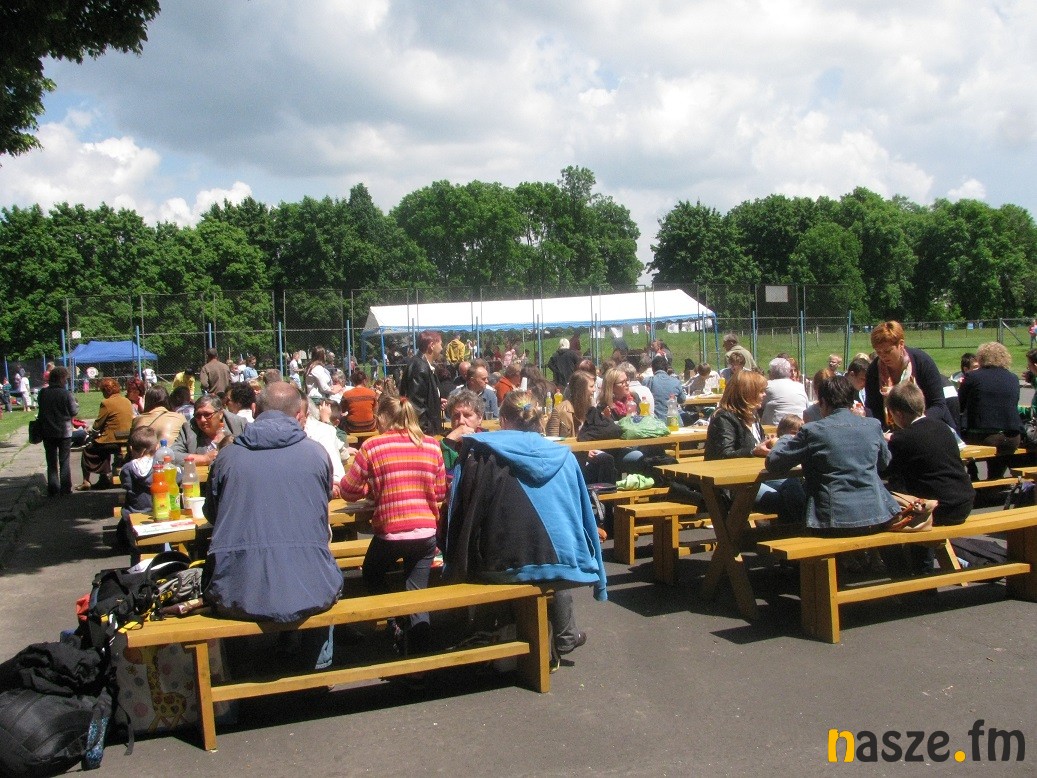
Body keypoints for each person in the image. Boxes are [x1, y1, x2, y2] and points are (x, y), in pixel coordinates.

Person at [442, 390, 605, 672]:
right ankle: (555, 638)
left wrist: (453, 566)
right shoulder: (565, 456)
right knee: (546, 560)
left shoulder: (480, 453)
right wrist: (599, 579)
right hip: (565, 562)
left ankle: (493, 638)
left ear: (502, 420)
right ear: (537, 419)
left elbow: (459, 511)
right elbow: (584, 514)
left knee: (506, 556)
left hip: (498, 564)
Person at [204, 381, 342, 670]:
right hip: (312, 587)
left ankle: (237, 672)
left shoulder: (227, 457)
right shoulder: (316, 454)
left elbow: (213, 514)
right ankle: (317, 668)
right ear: (299, 414)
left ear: (254, 410)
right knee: (320, 574)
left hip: (236, 589)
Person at [339, 394, 446, 655]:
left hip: (390, 531)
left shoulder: (373, 446)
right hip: (425, 532)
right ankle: (420, 655)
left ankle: (393, 621)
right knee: (416, 593)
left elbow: (347, 490)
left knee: (372, 573)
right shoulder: (432, 446)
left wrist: (373, 488)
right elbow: (440, 492)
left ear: (383, 418)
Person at [764, 375, 900, 534]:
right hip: (876, 515)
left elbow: (774, 463)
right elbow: (884, 462)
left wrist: (784, 438)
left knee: (790, 486)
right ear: (851, 400)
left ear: (822, 402)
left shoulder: (813, 431)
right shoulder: (873, 425)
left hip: (831, 520)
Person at [885, 382, 975, 526]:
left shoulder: (903, 438)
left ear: (898, 414)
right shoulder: (943, 427)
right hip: (964, 502)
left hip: (937, 508)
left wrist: (885, 442)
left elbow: (885, 471)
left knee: (885, 496)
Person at [864, 320, 955, 430]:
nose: (883, 356)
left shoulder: (922, 362)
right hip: (891, 432)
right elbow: (872, 409)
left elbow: (938, 405)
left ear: (901, 344)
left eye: (888, 351)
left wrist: (914, 427)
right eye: (878, 352)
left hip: (930, 426)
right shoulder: (874, 370)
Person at [958, 341, 1022, 479]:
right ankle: (993, 483)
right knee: (998, 462)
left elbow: (960, 405)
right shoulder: (1013, 378)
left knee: (957, 439)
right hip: (1012, 437)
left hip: (984, 436)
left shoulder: (973, 377)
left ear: (981, 357)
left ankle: (973, 475)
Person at [78, 377, 134, 491]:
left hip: (112, 440)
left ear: (106, 391)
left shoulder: (106, 403)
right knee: (102, 448)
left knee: (88, 450)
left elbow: (98, 425)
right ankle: (103, 479)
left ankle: (86, 481)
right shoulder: (126, 401)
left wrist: (91, 431)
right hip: (126, 439)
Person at [705, 371, 770, 460]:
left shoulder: (752, 415)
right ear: (746, 393)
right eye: (761, 391)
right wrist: (753, 452)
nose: (764, 394)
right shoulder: (723, 418)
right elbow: (723, 454)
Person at [171, 394, 248, 466]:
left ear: (220, 414)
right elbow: (171, 455)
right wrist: (204, 459)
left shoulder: (238, 424)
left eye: (207, 414)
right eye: (198, 415)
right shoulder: (189, 429)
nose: (202, 419)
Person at [36, 366, 79, 496]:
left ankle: (53, 488)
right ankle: (66, 488)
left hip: (48, 431)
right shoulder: (66, 394)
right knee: (64, 461)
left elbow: (41, 409)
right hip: (64, 432)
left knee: (51, 461)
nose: (66, 381)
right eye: (65, 379)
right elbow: (74, 411)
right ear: (61, 379)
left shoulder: (43, 393)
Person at [399, 330, 444, 436]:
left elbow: (423, 396)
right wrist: (425, 431)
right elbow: (415, 405)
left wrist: (436, 401)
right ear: (432, 345)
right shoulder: (420, 367)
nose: (442, 348)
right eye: (440, 344)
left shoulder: (422, 365)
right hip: (422, 434)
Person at [441, 390, 488, 470]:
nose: (461, 421)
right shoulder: (442, 443)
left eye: (467, 415)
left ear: (479, 418)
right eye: (456, 416)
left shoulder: (487, 445)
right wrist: (448, 442)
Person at [761, 357, 809, 425]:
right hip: (800, 426)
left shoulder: (768, 386)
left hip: (775, 428)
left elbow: (758, 405)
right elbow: (807, 406)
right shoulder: (800, 386)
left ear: (772, 373)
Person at [645, 354, 686, 423]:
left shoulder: (647, 381)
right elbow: (682, 400)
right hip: (674, 422)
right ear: (667, 368)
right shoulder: (676, 382)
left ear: (652, 369)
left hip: (655, 422)